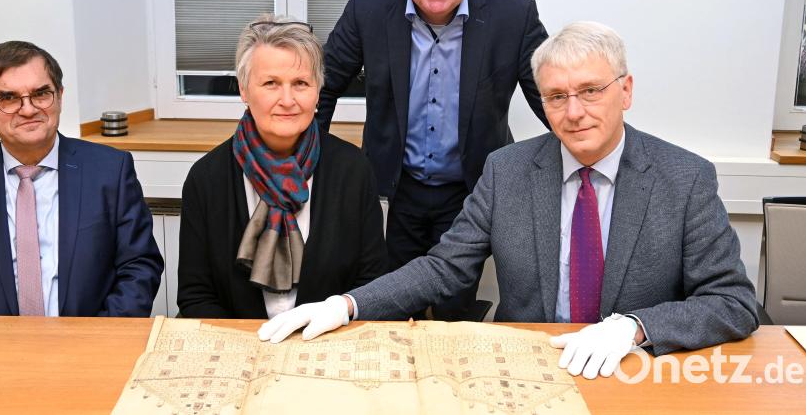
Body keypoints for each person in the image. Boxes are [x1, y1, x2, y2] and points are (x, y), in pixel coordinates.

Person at [258, 21, 760, 380]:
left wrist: (637, 327)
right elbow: (442, 268)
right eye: (557, 97)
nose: (575, 111)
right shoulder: (508, 170)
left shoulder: (684, 178)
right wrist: (348, 304)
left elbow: (734, 304)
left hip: (636, 374)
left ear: (625, 91)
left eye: (591, 90)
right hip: (527, 374)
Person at [316, 0, 549, 320]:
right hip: (395, 189)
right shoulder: (368, 6)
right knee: (385, 303)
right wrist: (311, 164)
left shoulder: (514, 15)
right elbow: (324, 86)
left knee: (453, 312)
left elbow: (553, 99)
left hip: (471, 192)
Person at [0, 41, 163, 316]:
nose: (28, 109)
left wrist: (95, 338)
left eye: (41, 94)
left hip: (88, 346)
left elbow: (139, 267)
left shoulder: (110, 171)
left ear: (60, 97)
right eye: (8, 98)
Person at [177, 15, 387, 319]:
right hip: (239, 352)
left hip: (327, 347)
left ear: (318, 92)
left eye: (301, 83)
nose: (287, 100)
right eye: (271, 83)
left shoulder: (353, 172)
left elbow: (370, 286)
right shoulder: (207, 178)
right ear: (244, 91)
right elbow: (196, 296)